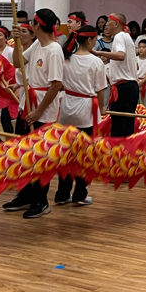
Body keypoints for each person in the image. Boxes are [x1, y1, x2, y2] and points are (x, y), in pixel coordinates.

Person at [3, 9, 65, 219]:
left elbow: (56, 84)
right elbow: (18, 63)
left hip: (42, 110)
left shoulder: (54, 50)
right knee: (24, 154)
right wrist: (16, 43)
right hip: (27, 105)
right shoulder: (37, 44)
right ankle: (25, 194)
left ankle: (41, 200)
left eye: (32, 22)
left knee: (40, 157)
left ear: (38, 25)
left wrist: (39, 111)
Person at [55, 25, 107, 207]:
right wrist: (102, 108)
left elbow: (60, 83)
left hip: (67, 108)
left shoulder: (67, 59)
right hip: (86, 111)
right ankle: (79, 193)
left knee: (66, 154)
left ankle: (62, 194)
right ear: (90, 40)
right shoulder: (96, 62)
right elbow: (100, 90)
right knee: (84, 154)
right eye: (95, 39)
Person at [93, 13, 140, 137]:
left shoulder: (119, 36)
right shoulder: (127, 37)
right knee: (127, 125)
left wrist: (99, 53)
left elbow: (120, 55)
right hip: (131, 86)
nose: (106, 24)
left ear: (116, 23)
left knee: (118, 125)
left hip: (123, 87)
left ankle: (117, 148)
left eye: (109, 21)